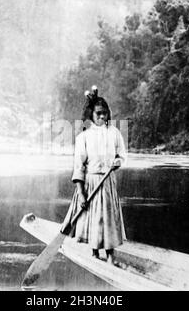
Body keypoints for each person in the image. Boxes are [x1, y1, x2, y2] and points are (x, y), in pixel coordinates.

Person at [62, 89, 127, 265]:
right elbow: (78, 167)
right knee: (94, 219)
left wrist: (117, 162)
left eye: (105, 113)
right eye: (98, 113)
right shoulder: (84, 136)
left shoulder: (114, 133)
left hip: (107, 182)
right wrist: (81, 193)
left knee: (107, 219)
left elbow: (121, 155)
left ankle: (111, 256)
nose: (102, 117)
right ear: (91, 114)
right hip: (91, 182)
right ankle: (95, 252)